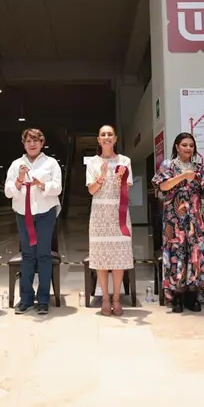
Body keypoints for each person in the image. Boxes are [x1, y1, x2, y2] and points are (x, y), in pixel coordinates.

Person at [151, 132, 204, 312]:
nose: (188, 148)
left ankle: (192, 294)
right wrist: (183, 176)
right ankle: (177, 296)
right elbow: (162, 186)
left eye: (191, 145)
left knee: (195, 253)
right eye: (184, 145)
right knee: (176, 252)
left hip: (194, 217)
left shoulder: (199, 168)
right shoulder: (168, 165)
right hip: (174, 218)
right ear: (177, 147)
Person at [4, 128, 62, 315]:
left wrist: (41, 184)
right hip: (23, 213)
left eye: (36, 140)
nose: (32, 144)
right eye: (28, 141)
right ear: (24, 144)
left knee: (43, 255)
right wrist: (19, 179)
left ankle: (43, 299)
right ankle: (26, 298)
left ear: (42, 143)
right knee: (28, 255)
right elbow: (8, 192)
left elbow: (58, 188)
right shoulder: (16, 164)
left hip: (46, 213)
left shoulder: (51, 163)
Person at [86, 125, 134, 316]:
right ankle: (105, 298)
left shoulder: (125, 161)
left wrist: (120, 178)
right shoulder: (92, 162)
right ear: (99, 139)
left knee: (118, 259)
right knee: (102, 258)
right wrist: (102, 177)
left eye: (110, 134)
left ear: (115, 139)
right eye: (103, 134)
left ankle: (116, 299)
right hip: (99, 216)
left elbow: (127, 188)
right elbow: (91, 190)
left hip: (119, 214)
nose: (106, 137)